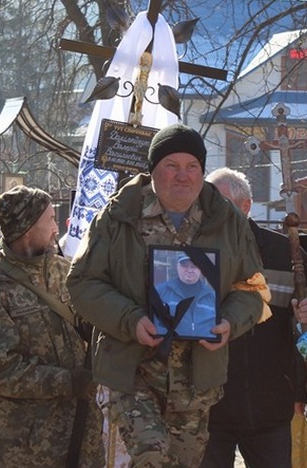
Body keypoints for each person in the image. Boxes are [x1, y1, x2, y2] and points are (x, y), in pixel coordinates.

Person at [68, 123, 267, 467]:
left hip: (196, 376)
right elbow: (82, 282)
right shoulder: (118, 216)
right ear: (153, 171)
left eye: (192, 167)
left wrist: (229, 323)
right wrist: (130, 319)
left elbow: (251, 287)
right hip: (131, 369)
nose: (182, 176)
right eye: (171, 166)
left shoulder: (228, 220)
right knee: (152, 455)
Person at [0, 185, 103, 466]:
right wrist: (69, 381)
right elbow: (0, 371)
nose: (56, 228)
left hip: (82, 434)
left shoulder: (64, 272)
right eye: (50, 219)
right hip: (29, 447)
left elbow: (89, 325)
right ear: (28, 229)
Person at [201, 167, 307, 468]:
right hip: (208, 406)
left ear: (245, 206)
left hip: (268, 405)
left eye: (219, 202)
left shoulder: (285, 254)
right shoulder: (194, 253)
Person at [153, 253, 219, 339]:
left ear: (201, 269)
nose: (189, 270)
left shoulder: (212, 295)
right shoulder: (160, 291)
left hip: (202, 348)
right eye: (185, 266)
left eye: (194, 266)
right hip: (170, 348)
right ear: (177, 267)